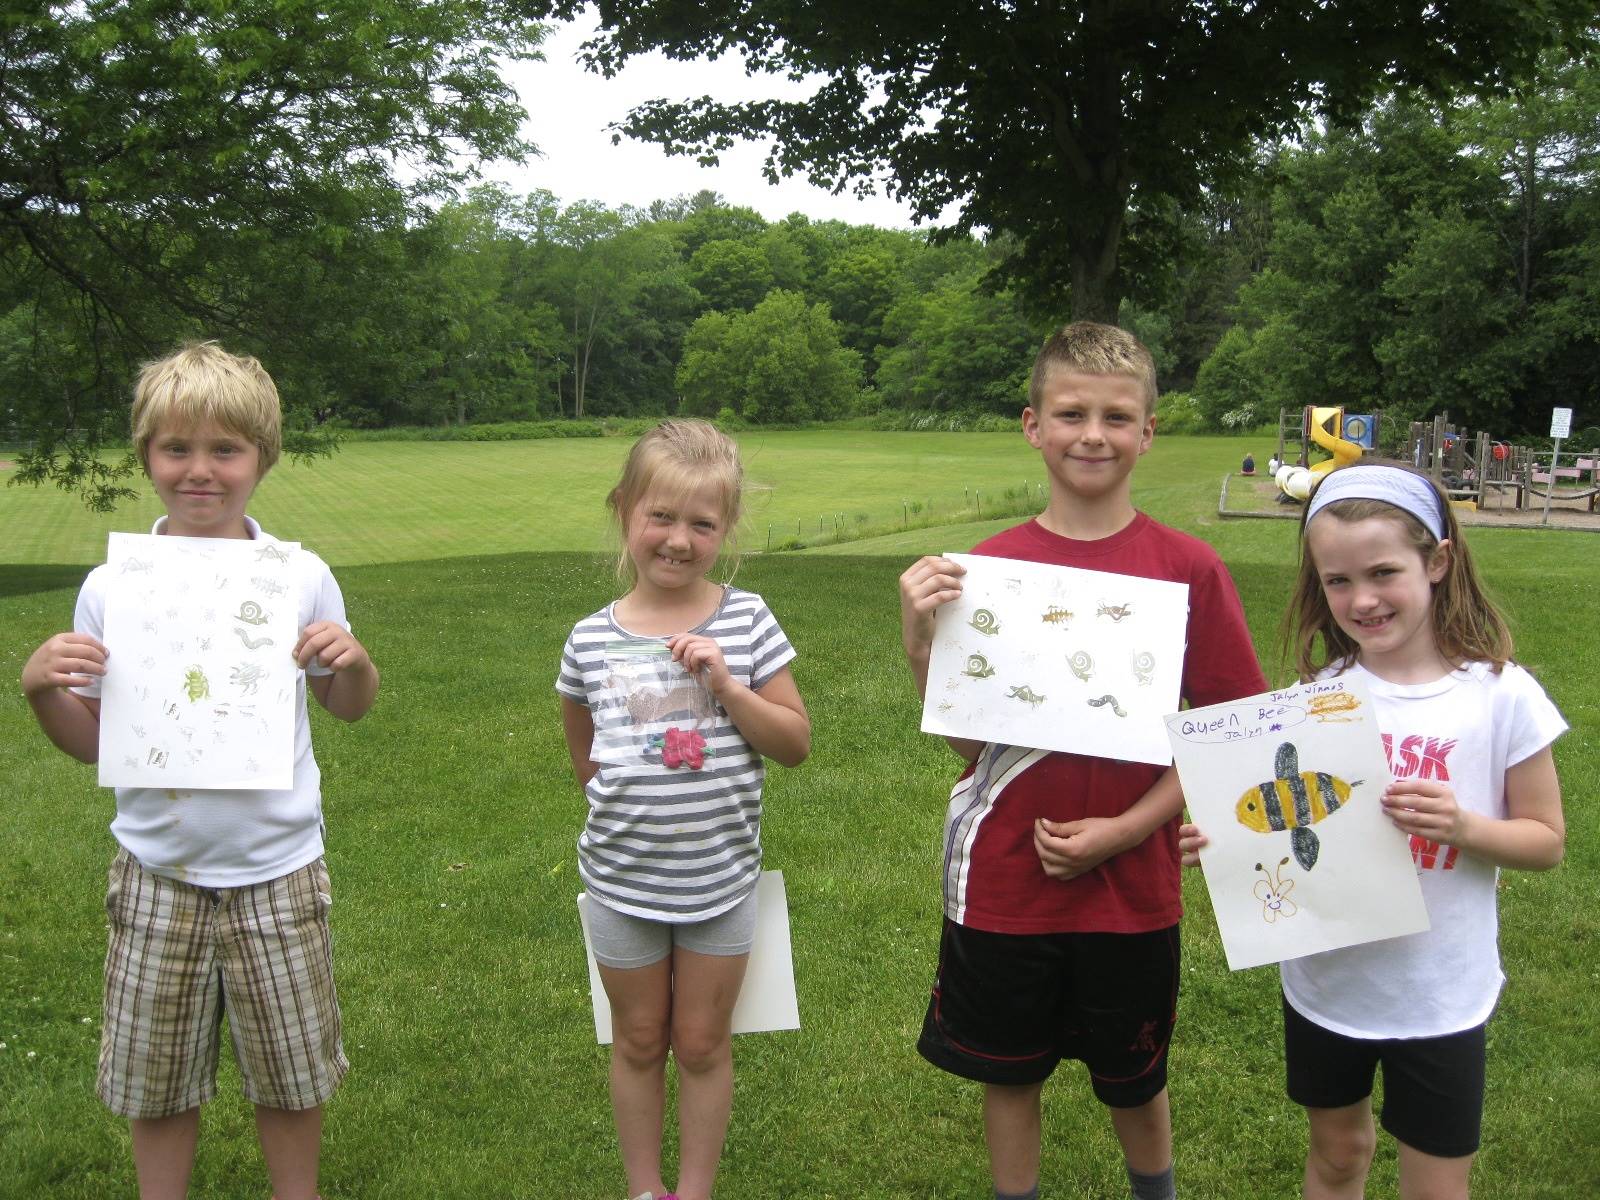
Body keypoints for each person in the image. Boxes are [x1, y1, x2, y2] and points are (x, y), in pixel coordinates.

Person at [898, 322, 1267, 1200]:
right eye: (1070, 413)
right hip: (1004, 882)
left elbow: (1228, 730)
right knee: (1008, 1072)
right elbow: (970, 743)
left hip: (1132, 887)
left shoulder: (1191, 569)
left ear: (1149, 430)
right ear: (1033, 424)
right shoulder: (986, 571)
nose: (1091, 434)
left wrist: (1128, 829)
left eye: (1115, 416)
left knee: (1134, 1079)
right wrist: (921, 641)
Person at [20, 342, 380, 1200]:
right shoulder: (116, 587)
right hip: (157, 869)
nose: (200, 471)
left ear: (262, 457)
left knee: (291, 1075)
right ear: (147, 455)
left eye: (226, 450)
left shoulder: (299, 574)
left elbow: (347, 705)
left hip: (278, 870)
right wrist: (41, 692)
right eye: (176, 449)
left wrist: (354, 661)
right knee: (156, 1079)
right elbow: (98, 738)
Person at [1180, 463, 1566, 1200]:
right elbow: (1272, 824)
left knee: (1436, 1185)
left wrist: (1464, 827)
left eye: (1384, 571)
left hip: (1441, 995)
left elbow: (1546, 841)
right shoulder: (1315, 701)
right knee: (1337, 1156)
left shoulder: (1500, 694)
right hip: (1331, 987)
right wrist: (1219, 845)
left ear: (1439, 561)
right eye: (1337, 581)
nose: (1362, 599)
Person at [557, 420, 810, 1200]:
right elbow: (585, 754)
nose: (678, 540)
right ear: (624, 510)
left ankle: (693, 1191)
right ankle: (644, 1189)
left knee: (701, 1042)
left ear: (726, 530)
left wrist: (729, 688)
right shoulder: (589, 639)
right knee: (637, 1039)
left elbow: (794, 742)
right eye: (660, 517)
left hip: (720, 882)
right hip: (622, 883)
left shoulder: (749, 618)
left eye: (702, 524)